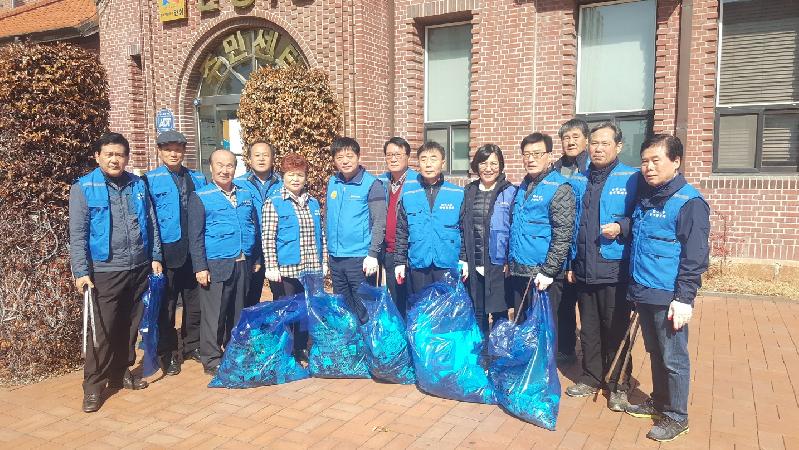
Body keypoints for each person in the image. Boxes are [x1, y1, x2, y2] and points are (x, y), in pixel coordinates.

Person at [624, 134, 709, 442]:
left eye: (655, 160)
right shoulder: (648, 197)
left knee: (674, 358)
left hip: (669, 296)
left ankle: (677, 416)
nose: (648, 167)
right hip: (644, 289)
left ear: (676, 162)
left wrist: (684, 298)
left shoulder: (689, 203)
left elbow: (695, 256)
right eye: (644, 161)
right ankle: (659, 401)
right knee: (655, 351)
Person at [69, 132, 163, 413]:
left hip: (138, 266)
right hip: (105, 270)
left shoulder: (137, 185)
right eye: (109, 154)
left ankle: (120, 372)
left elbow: (151, 222)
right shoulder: (84, 188)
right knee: (103, 330)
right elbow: (78, 234)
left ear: (126, 158)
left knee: (130, 325)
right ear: (97, 157)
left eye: (119, 155)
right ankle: (93, 386)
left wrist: (155, 256)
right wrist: (81, 271)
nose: (114, 159)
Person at [565, 122, 639, 413]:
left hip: (613, 268)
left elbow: (641, 217)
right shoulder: (579, 179)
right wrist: (572, 262)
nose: (598, 148)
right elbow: (572, 225)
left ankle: (619, 384)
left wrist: (621, 226)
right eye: (594, 143)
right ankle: (591, 376)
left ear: (618, 146)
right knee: (589, 328)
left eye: (605, 143)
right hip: (584, 267)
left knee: (615, 328)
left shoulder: (631, 178)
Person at [188, 149, 262, 376]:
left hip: (243, 262)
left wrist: (256, 257)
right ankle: (211, 358)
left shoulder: (245, 194)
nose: (224, 170)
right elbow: (195, 236)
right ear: (211, 168)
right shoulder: (201, 196)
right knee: (215, 315)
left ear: (235, 168)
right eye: (220, 165)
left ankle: (234, 351)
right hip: (216, 264)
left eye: (229, 165)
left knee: (238, 312)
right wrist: (200, 267)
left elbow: (253, 226)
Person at [143, 130, 207, 376]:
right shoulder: (150, 180)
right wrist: (155, 256)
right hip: (168, 252)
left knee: (195, 303)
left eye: (178, 149)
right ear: (160, 151)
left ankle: (192, 345)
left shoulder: (198, 178)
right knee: (167, 306)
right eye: (168, 149)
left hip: (194, 252)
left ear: (184, 151)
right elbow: (148, 222)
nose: (173, 153)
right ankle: (167, 353)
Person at [261, 153, 326, 360]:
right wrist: (271, 266)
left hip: (310, 267)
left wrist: (323, 261)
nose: (295, 179)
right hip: (287, 269)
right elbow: (268, 237)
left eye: (300, 175)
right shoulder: (274, 202)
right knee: (287, 310)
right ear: (283, 176)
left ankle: (301, 347)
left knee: (305, 309)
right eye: (291, 174)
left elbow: (321, 234)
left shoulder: (312, 202)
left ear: (305, 177)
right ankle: (286, 351)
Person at [508, 133, 576, 325]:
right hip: (520, 272)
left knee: (543, 330)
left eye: (537, 154)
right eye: (527, 154)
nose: (531, 159)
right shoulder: (524, 186)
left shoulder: (560, 188)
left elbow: (563, 234)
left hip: (542, 275)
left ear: (549, 156)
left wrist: (548, 271)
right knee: (523, 328)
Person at [394, 141, 467, 294]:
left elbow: (464, 230)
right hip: (419, 262)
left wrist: (464, 259)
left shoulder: (457, 193)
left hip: (448, 262)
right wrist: (399, 262)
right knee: (420, 305)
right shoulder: (409, 194)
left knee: (447, 305)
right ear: (418, 163)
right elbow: (401, 231)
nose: (428, 164)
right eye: (423, 159)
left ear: (443, 163)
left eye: (433, 159)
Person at [325, 137, 386, 320]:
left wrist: (373, 254)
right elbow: (328, 217)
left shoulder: (372, 184)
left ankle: (367, 337)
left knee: (364, 308)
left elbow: (379, 222)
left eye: (349, 156)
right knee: (343, 308)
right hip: (336, 258)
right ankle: (350, 337)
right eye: (339, 157)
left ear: (358, 157)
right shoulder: (333, 182)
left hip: (360, 258)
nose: (345, 161)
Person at [461, 144, 515, 338]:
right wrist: (464, 258)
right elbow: (463, 227)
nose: (488, 168)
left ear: (501, 165)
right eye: (483, 163)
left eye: (494, 163)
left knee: (500, 313)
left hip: (498, 265)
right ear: (476, 165)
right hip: (475, 264)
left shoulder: (510, 192)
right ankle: (481, 352)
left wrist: (509, 259)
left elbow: (514, 229)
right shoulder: (469, 191)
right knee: (477, 313)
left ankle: (499, 353)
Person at [553, 119, 591, 363]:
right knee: (563, 303)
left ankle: (591, 358)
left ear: (586, 139)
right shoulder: (555, 169)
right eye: (566, 138)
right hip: (561, 247)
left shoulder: (593, 168)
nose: (570, 142)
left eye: (575, 136)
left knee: (588, 310)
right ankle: (565, 349)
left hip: (586, 246)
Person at [234, 141, 282, 307]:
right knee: (248, 296)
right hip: (251, 248)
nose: (261, 159)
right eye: (257, 155)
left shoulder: (283, 183)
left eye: (266, 155)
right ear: (249, 159)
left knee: (282, 296)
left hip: (277, 247)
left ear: (273, 158)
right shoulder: (238, 184)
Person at [376, 137, 419, 316]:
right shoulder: (380, 182)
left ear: (408, 156)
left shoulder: (418, 182)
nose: (393, 159)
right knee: (395, 301)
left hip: (411, 251)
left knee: (413, 300)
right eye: (389, 155)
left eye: (398, 155)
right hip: (389, 251)